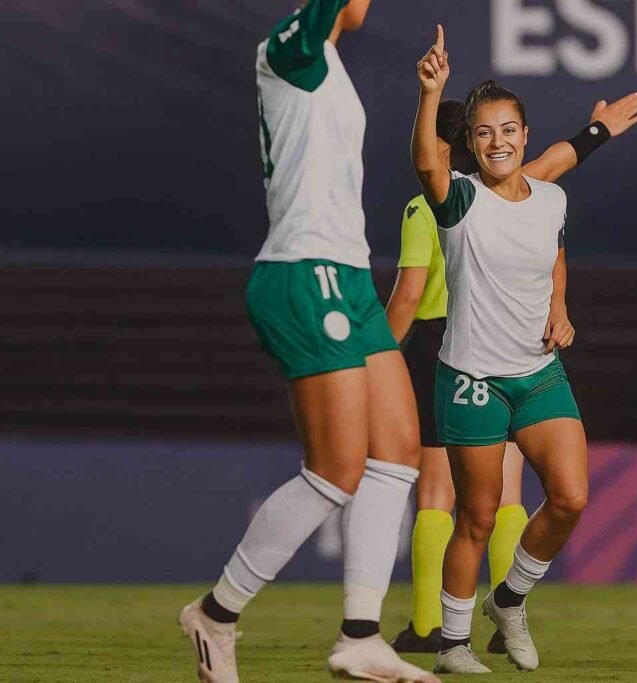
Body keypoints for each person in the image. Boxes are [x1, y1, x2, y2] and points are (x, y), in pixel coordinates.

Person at [178, 2, 438, 681]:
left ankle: (360, 635)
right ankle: (217, 612)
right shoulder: (289, 47)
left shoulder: (334, 65)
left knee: (399, 452)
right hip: (302, 270)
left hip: (348, 273)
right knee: (335, 469)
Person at [412, 26, 637, 675]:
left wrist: (560, 306)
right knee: (478, 518)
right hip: (472, 380)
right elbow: (428, 162)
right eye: (484, 132)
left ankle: (508, 599)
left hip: (538, 373)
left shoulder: (549, 197)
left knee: (571, 496)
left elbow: (555, 251)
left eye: (509, 129)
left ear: (523, 132)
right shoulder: (459, 201)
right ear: (470, 143)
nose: (498, 141)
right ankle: (452, 645)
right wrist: (430, 93)